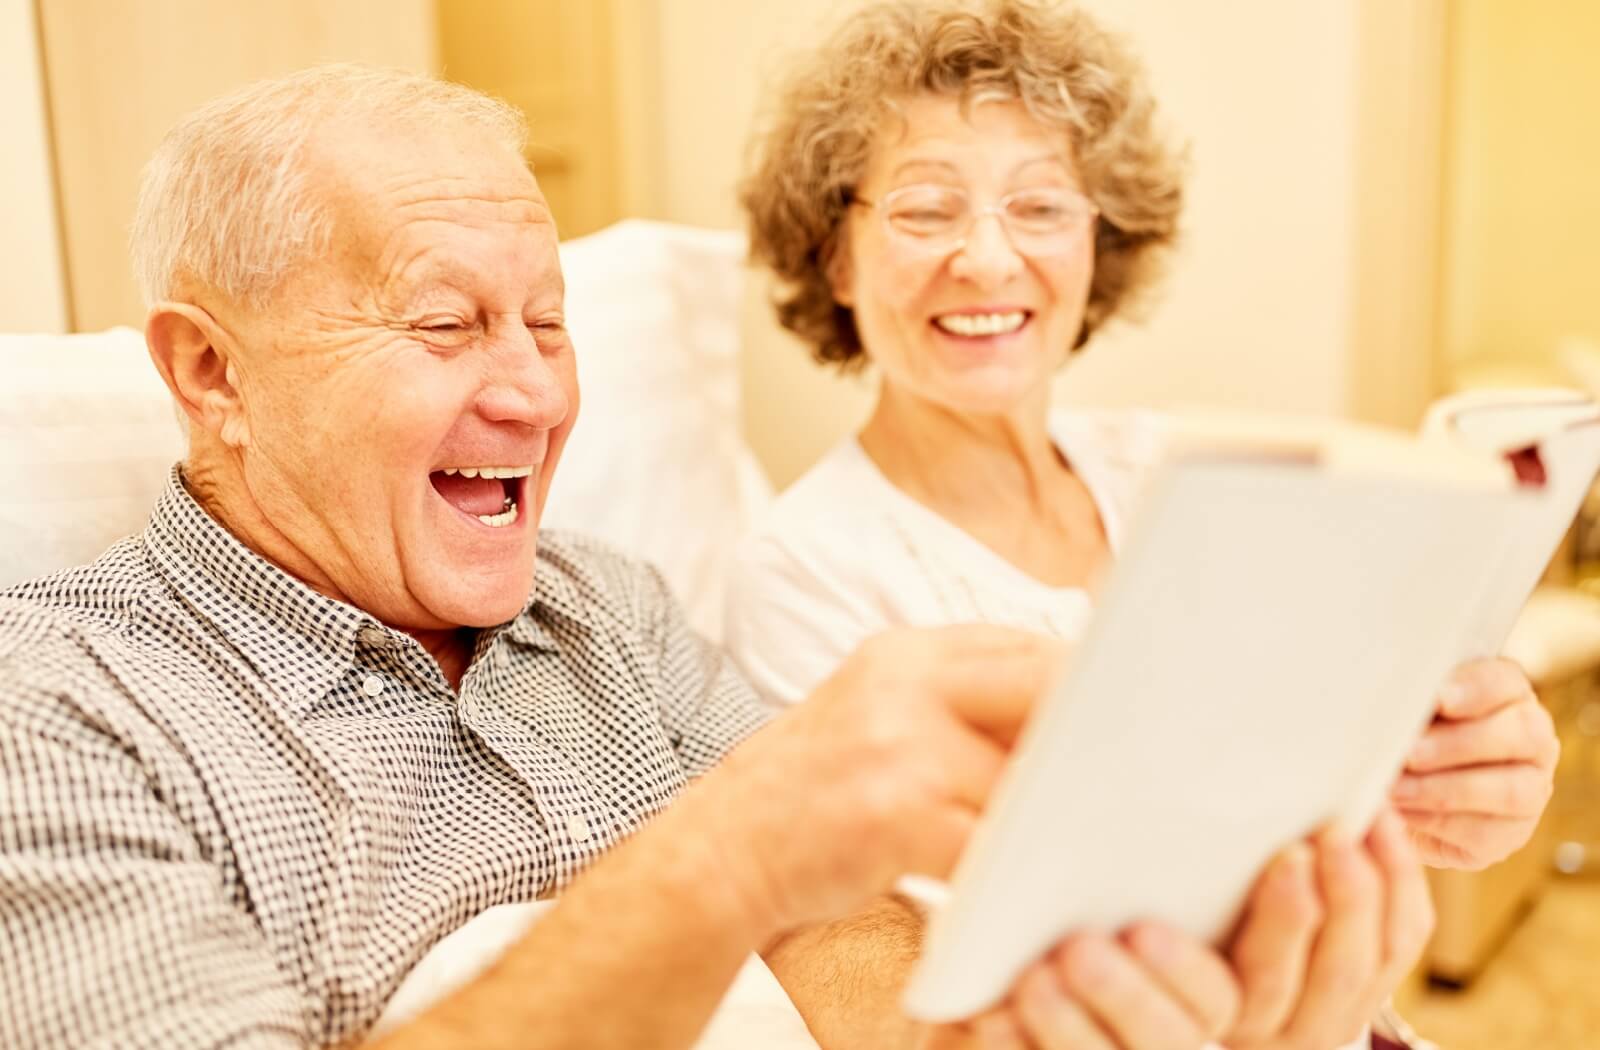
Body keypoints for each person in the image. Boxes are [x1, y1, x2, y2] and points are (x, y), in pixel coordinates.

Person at [0, 63, 1420, 1050]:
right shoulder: (63, 708)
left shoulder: (605, 605)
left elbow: (844, 912)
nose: (534, 396)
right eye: (443, 327)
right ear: (210, 374)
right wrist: (726, 857)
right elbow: (771, 852)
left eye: (547, 327)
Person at [729, 0, 1559, 1044]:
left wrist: (1457, 771)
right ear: (834, 257)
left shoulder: (1182, 470)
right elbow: (856, 943)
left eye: (1039, 207)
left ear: (1098, 238)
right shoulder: (803, 569)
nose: (987, 260)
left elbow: (1323, 772)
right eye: (926, 209)